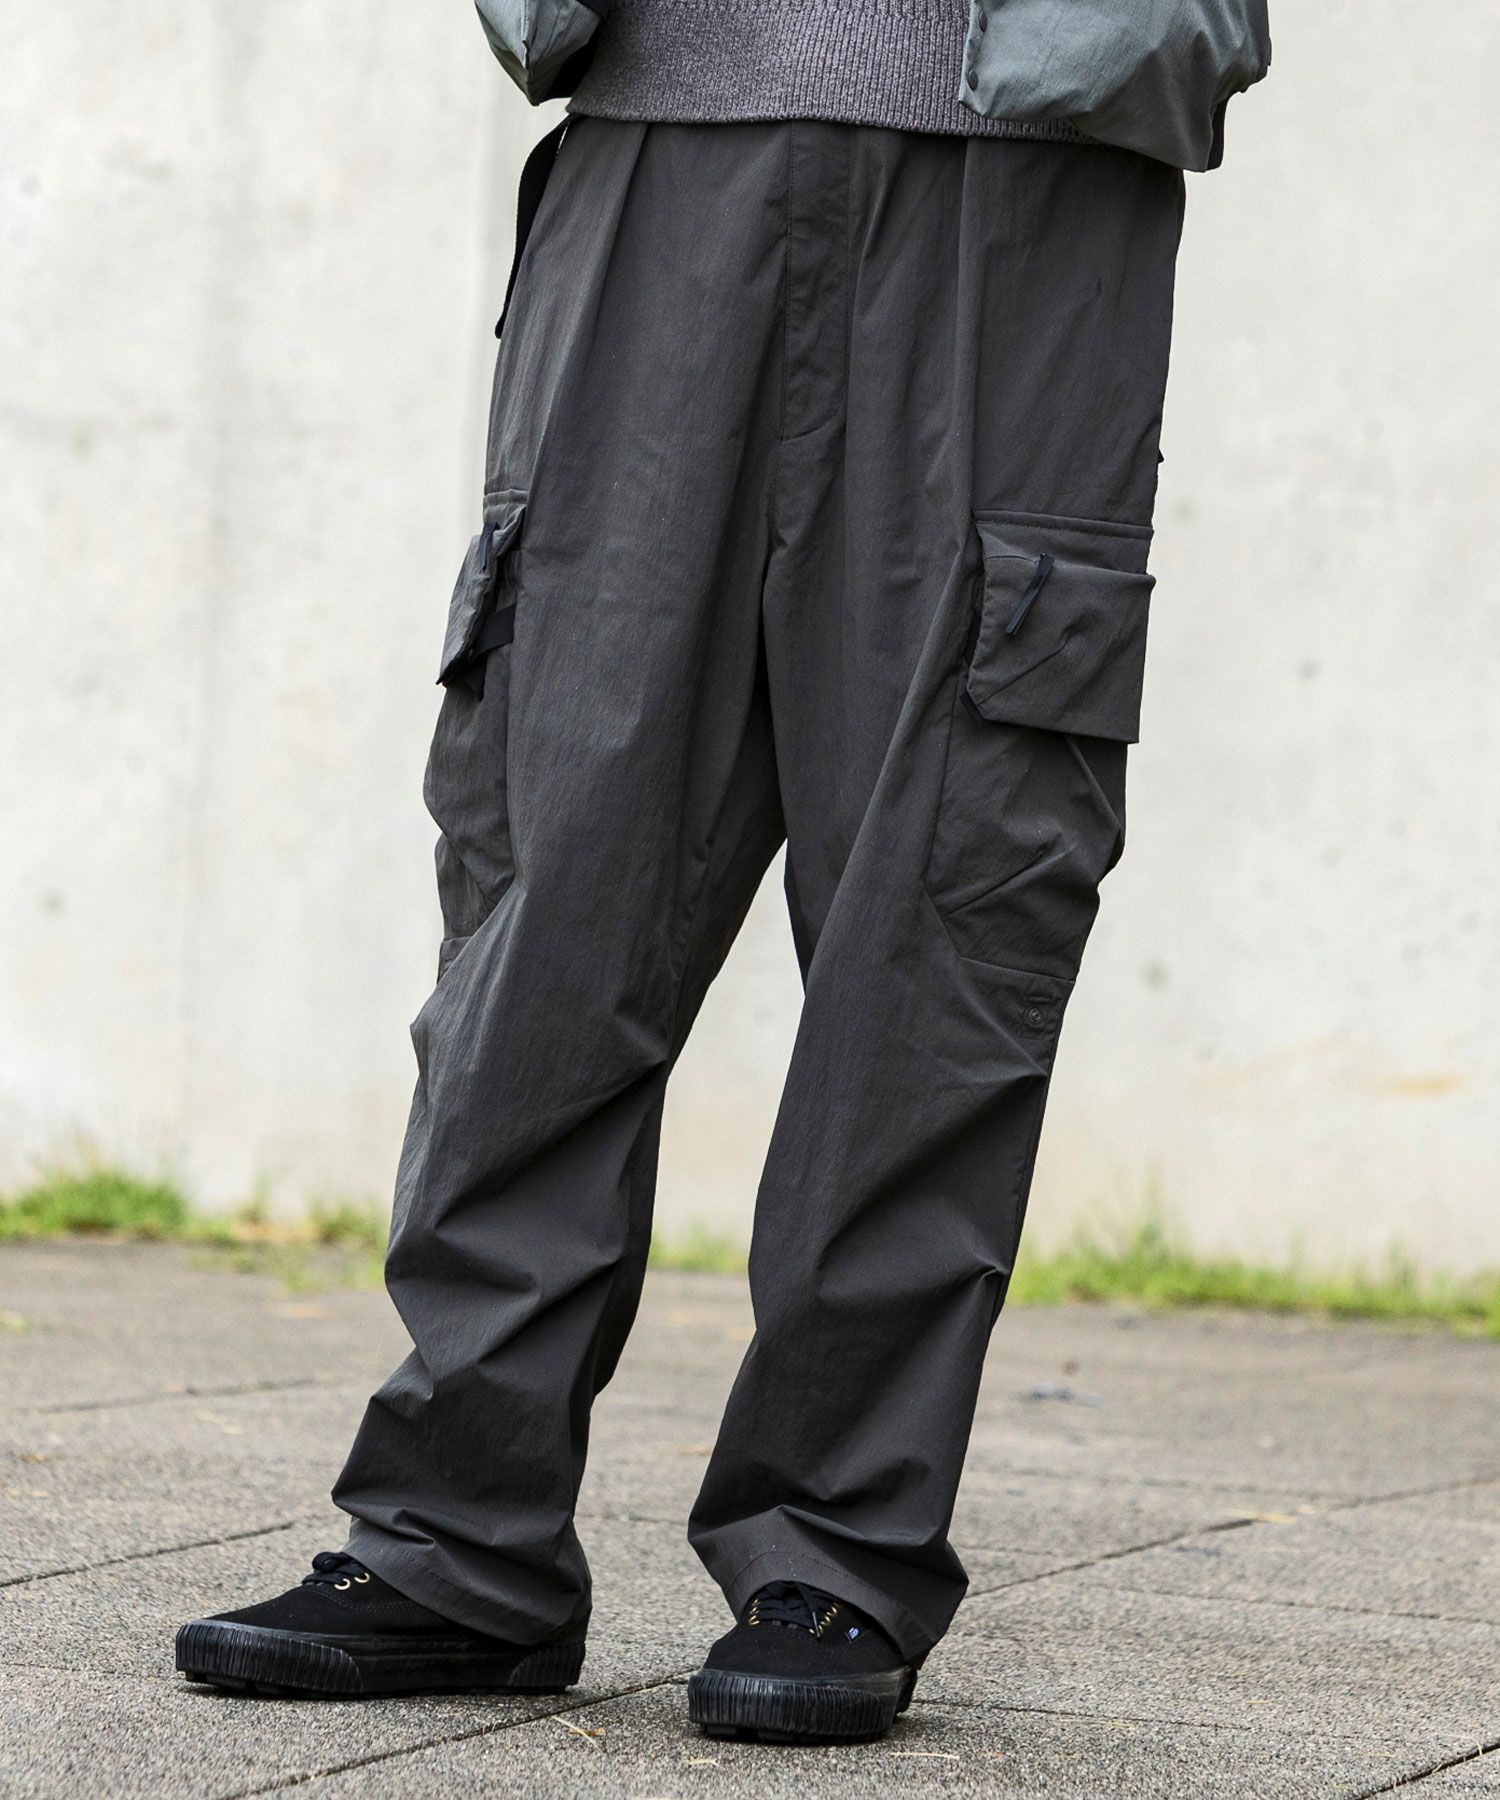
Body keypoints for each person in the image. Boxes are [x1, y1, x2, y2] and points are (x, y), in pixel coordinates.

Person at [175, 0, 1270, 1744]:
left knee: (945, 890)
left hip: (1020, 175)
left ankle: (836, 1546)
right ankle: (457, 1538)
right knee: (552, 884)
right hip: (653, 146)